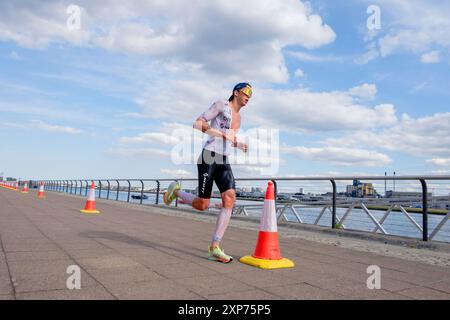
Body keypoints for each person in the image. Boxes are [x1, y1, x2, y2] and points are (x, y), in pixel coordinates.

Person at [163, 82, 252, 263]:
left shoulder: (239, 118)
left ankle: (215, 247)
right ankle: (176, 190)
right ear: (236, 92)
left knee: (230, 197)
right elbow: (197, 123)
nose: (249, 96)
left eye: (251, 94)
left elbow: (230, 137)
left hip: (224, 159)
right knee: (203, 205)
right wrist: (221, 135)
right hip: (209, 156)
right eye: (246, 92)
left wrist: (238, 143)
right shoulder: (221, 105)